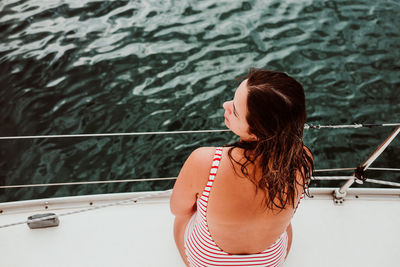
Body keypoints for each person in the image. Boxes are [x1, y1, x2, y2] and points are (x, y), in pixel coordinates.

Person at [170, 68, 313, 267]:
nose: (225, 105)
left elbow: (178, 209)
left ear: (256, 133)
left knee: (183, 218)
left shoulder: (205, 161)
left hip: (209, 262)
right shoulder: (302, 158)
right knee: (285, 221)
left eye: (235, 110)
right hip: (269, 262)